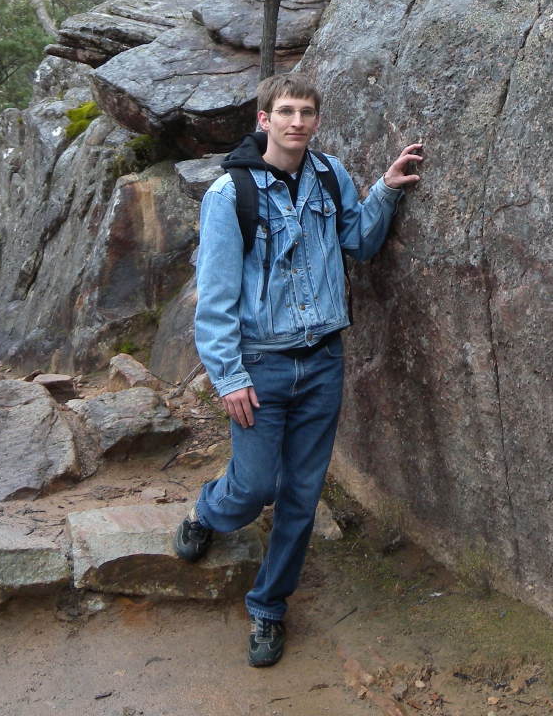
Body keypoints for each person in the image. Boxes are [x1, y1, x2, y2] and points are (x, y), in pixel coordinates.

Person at [174, 73, 423, 667]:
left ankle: (268, 607)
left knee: (301, 495)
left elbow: (359, 243)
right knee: (254, 486)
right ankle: (209, 511)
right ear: (264, 119)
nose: (297, 122)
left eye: (306, 112)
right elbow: (216, 298)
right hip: (260, 364)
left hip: (322, 361)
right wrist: (229, 376)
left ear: (316, 120)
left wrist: (384, 191)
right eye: (285, 111)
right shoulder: (230, 194)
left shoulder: (330, 175)